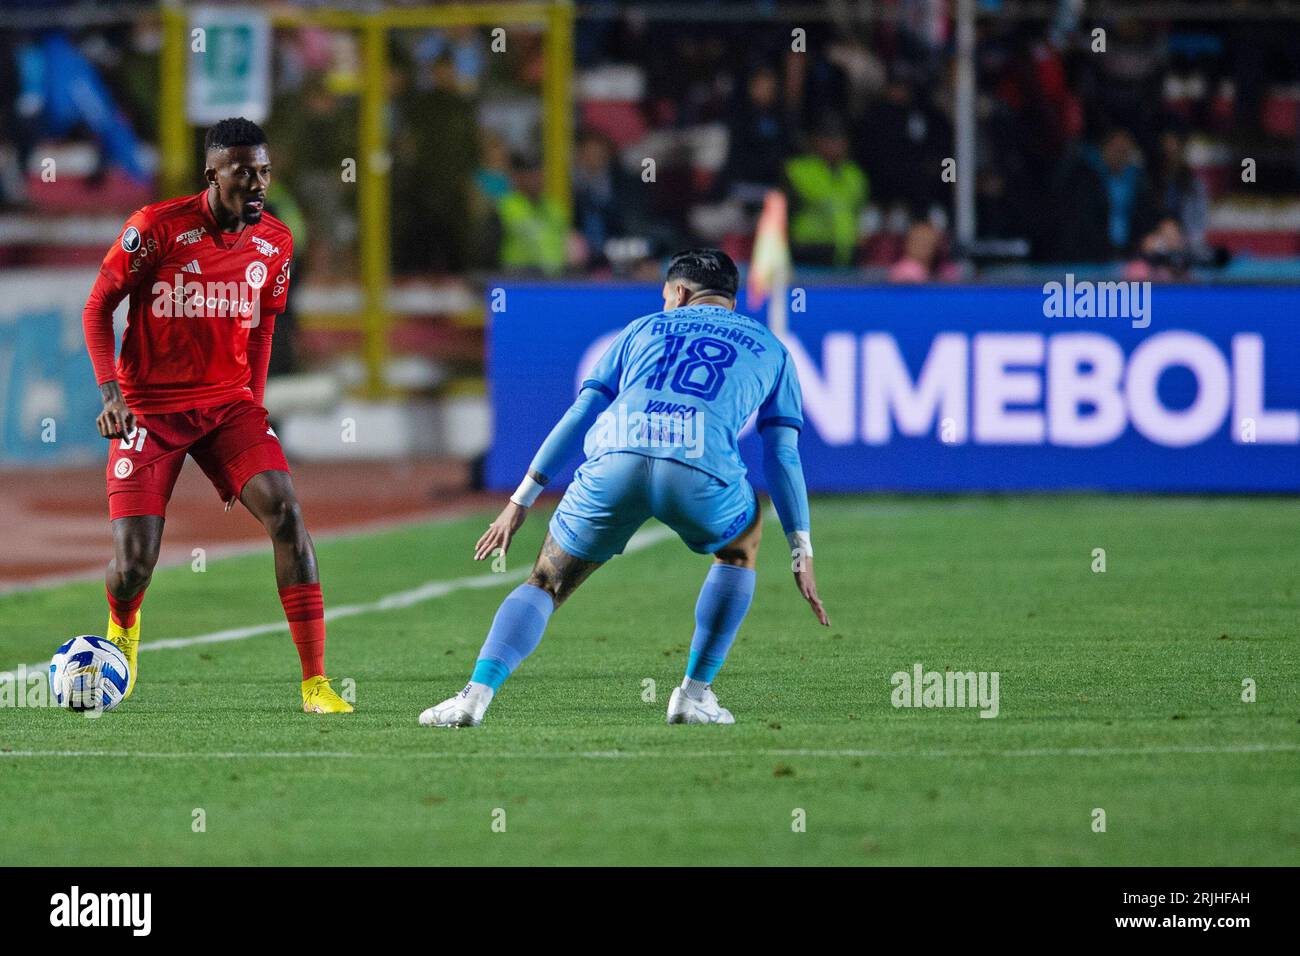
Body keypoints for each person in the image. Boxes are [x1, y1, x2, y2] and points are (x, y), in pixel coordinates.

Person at [419, 249, 828, 728]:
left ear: (678, 293)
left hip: (616, 457)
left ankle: (474, 695)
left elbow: (580, 414)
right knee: (741, 545)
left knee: (546, 582)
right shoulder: (771, 347)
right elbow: (782, 453)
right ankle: (694, 695)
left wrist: (519, 500)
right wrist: (800, 549)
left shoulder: (642, 329)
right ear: (731, 302)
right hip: (699, 467)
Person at [80, 117, 352, 714]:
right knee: (133, 564)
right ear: (212, 173)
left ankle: (316, 685)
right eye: (242, 172)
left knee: (287, 512)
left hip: (229, 408)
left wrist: (253, 408)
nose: (256, 184)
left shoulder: (275, 242)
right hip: (148, 413)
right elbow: (99, 308)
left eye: (263, 172)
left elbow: (263, 328)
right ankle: (123, 629)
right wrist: (110, 396)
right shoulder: (155, 228)